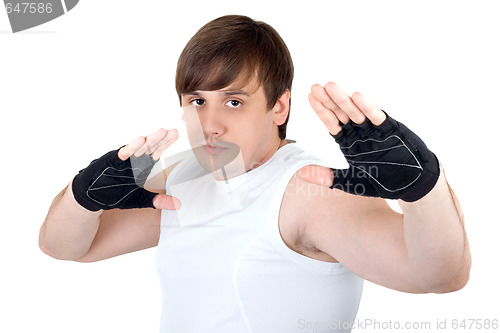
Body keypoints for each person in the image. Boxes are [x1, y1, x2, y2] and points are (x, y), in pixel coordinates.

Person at [39, 15, 471, 333]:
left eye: (233, 101)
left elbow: (439, 276)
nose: (209, 124)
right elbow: (68, 246)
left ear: (278, 107)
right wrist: (83, 196)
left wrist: (424, 190)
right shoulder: (184, 178)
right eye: (196, 100)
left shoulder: (308, 191)